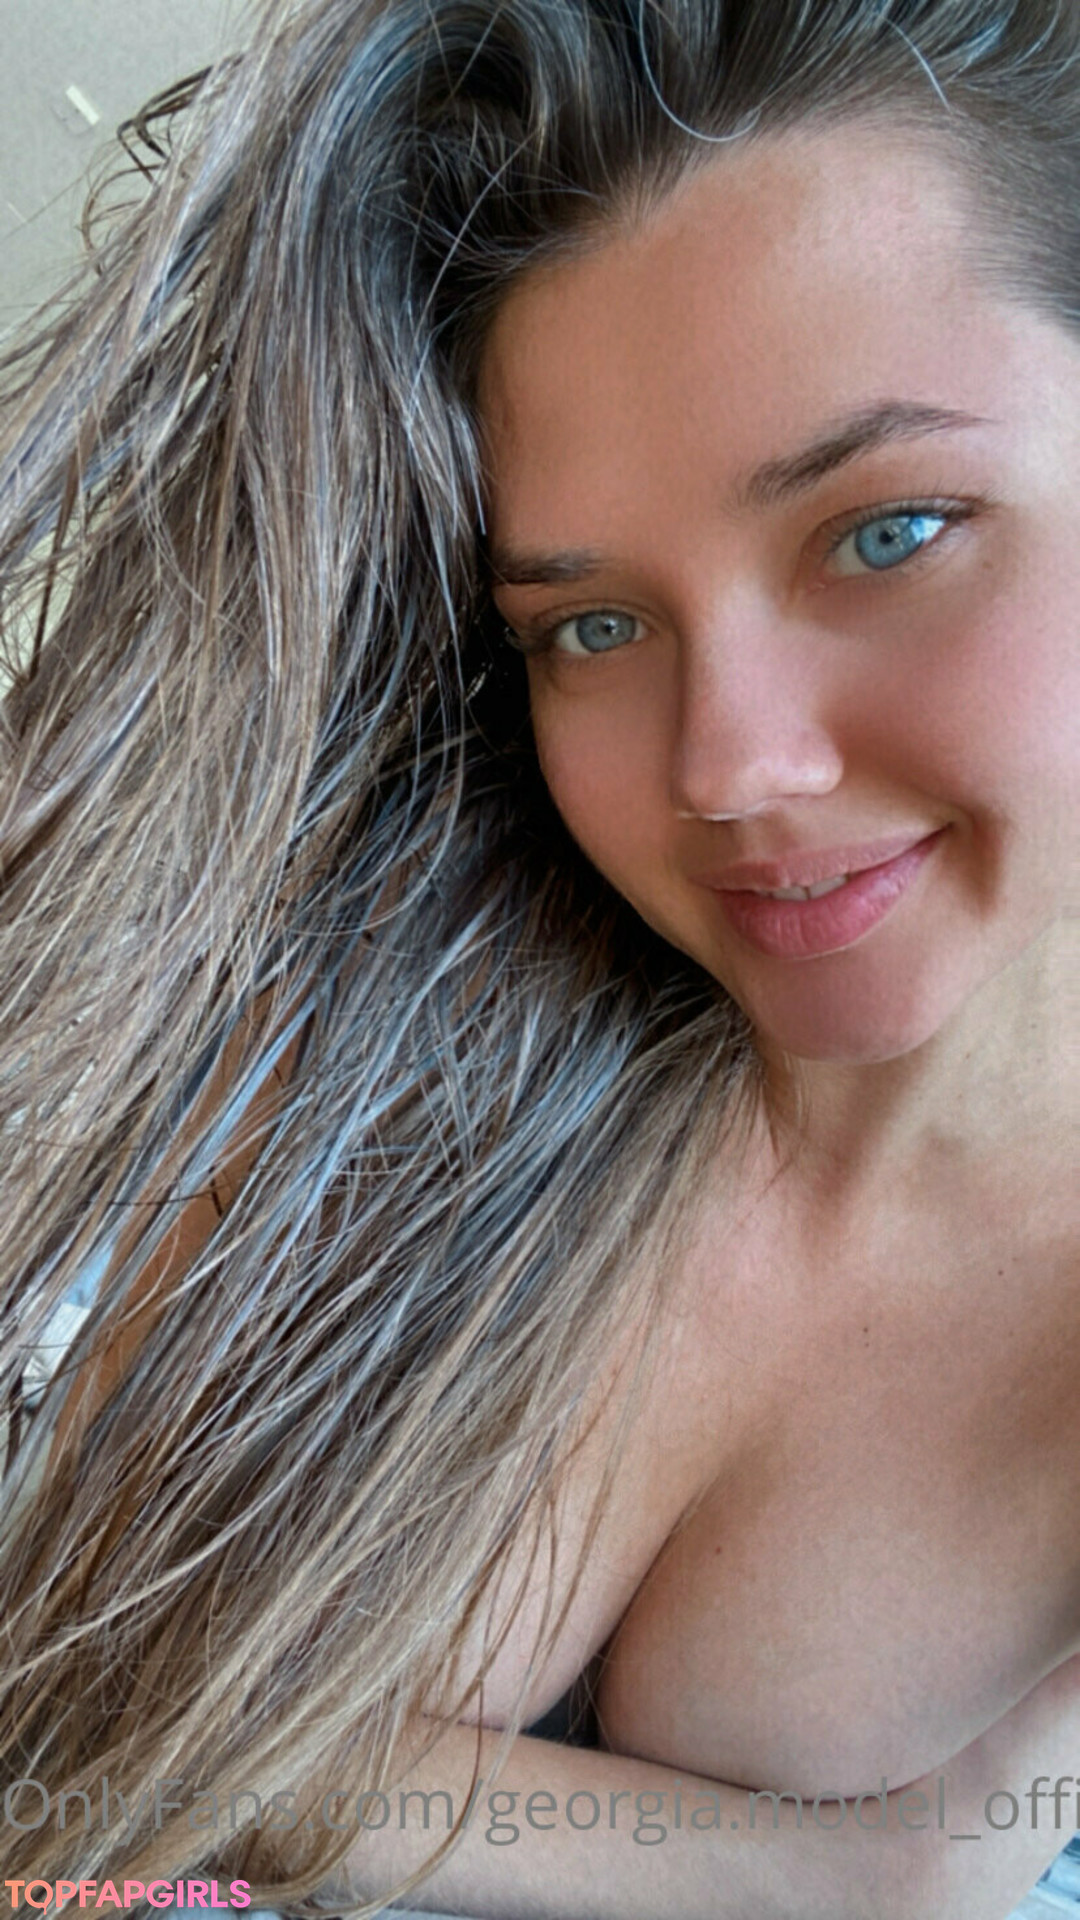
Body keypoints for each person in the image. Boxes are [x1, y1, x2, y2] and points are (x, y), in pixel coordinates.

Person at [0, 1, 1076, 1917]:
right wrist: (826, 1876)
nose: (728, 768)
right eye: (590, 627)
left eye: (889, 531)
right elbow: (95, 1719)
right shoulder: (383, 1000)